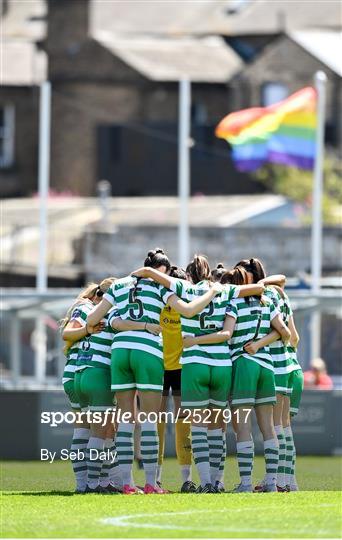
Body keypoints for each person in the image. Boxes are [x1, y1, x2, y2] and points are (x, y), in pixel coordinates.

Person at [86, 248, 222, 494]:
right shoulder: (161, 288)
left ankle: (127, 484)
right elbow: (189, 311)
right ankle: (150, 483)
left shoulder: (119, 286)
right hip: (147, 352)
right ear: (164, 271)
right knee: (149, 421)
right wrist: (212, 291)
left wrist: (126, 324)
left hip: (119, 352)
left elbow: (93, 320)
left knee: (126, 420)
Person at [132, 254, 266, 493]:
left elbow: (156, 276)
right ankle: (218, 481)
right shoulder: (224, 290)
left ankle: (204, 482)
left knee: (198, 428)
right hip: (222, 364)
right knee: (217, 428)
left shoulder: (184, 289)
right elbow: (259, 287)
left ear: (189, 274)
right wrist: (226, 287)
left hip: (195, 364)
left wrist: (142, 274)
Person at [221, 265, 291, 493]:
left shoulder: (233, 303)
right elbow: (285, 333)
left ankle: (246, 483)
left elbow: (228, 335)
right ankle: (272, 482)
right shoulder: (266, 302)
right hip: (267, 366)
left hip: (243, 365)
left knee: (242, 427)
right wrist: (260, 344)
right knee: (268, 428)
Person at [60, 282, 107, 494]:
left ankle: (85, 484)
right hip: (83, 372)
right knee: (100, 431)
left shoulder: (89, 308)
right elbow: (67, 333)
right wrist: (87, 329)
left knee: (85, 430)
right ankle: (96, 483)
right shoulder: (87, 308)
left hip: (76, 373)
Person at [157, 266, 195, 493]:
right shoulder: (177, 307)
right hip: (163, 368)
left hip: (179, 368)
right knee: (159, 423)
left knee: (181, 424)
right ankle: (157, 478)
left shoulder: (186, 309)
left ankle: (184, 479)